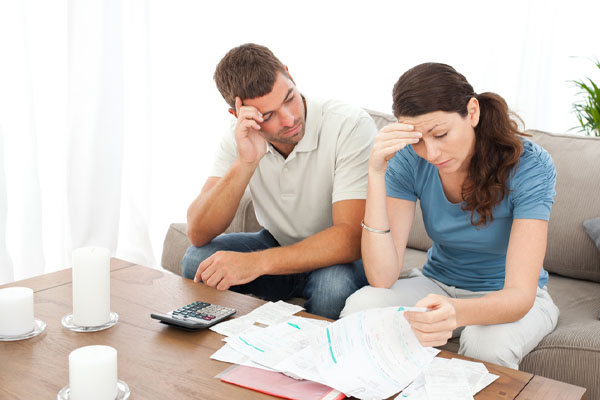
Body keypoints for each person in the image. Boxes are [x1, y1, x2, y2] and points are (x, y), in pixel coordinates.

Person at [340, 62, 559, 369]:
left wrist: (454, 311)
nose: (431, 154)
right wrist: (377, 173)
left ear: (472, 112)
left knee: (487, 346)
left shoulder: (530, 165)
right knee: (361, 307)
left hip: (508, 296)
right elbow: (382, 276)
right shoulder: (407, 159)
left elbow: (520, 296)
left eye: (440, 134)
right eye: (418, 140)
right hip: (438, 284)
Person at [182, 43, 377, 319]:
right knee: (197, 261)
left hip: (341, 259)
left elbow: (350, 238)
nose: (289, 119)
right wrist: (245, 163)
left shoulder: (349, 125)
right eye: (269, 115)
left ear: (290, 75)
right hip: (278, 243)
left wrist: (256, 263)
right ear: (239, 115)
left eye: (289, 98)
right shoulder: (239, 137)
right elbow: (198, 232)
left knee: (331, 288)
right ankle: (243, 348)